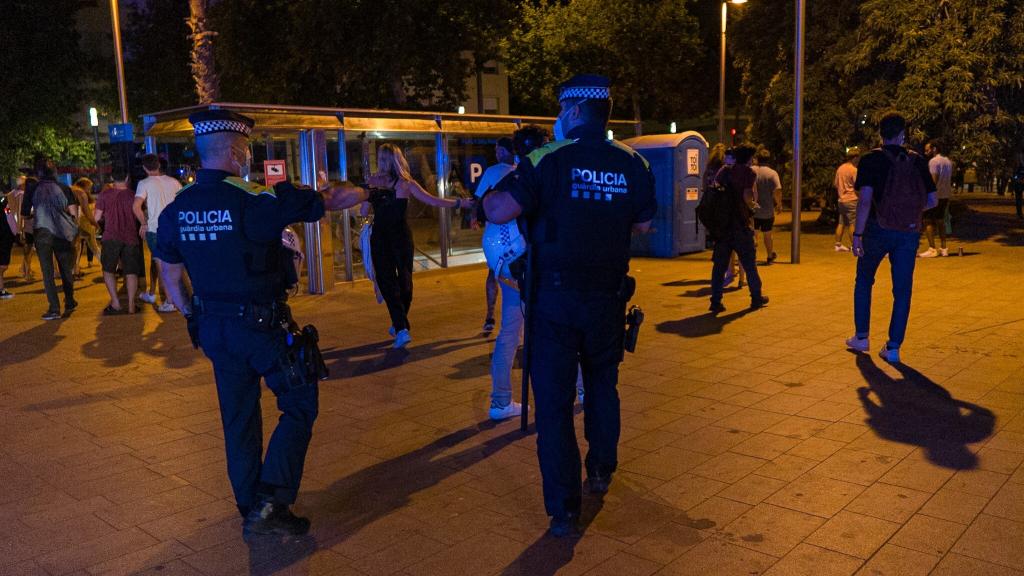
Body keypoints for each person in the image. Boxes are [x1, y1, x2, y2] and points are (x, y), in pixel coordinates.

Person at [153, 110, 366, 538]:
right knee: (300, 402)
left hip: (213, 329)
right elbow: (327, 201)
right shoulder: (253, 200)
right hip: (261, 328)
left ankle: (249, 506)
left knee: (238, 419)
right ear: (234, 152)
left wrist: (193, 316)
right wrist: (364, 190)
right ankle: (272, 500)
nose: (247, 158)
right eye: (246, 150)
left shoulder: (179, 209)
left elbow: (170, 275)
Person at [482, 74, 657, 536]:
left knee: (555, 404)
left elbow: (500, 210)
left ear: (575, 111)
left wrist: (491, 194)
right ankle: (600, 469)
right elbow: (643, 225)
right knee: (602, 385)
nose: (558, 118)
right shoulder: (633, 162)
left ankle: (564, 508)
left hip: (554, 302)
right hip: (607, 297)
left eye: (561, 110)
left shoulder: (545, 159)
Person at [361, 143, 473, 349]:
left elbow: (432, 201)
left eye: (382, 157)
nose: (381, 161)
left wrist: (459, 203)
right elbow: (433, 201)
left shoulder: (403, 183)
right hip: (392, 236)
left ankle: (400, 323)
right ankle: (401, 327)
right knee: (396, 281)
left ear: (388, 159)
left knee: (399, 281)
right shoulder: (382, 182)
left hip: (390, 236)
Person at [847, 112, 937, 364]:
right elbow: (932, 200)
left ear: (880, 134)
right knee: (903, 290)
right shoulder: (917, 161)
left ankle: (862, 337)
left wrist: (857, 234)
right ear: (903, 134)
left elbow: (864, 200)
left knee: (864, 279)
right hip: (908, 234)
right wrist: (907, 211)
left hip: (876, 229)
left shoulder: (870, 160)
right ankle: (894, 347)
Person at [709, 143, 769, 314]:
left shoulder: (725, 171)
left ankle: (715, 301)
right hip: (740, 225)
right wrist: (752, 206)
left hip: (723, 225)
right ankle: (756, 298)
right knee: (749, 264)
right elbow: (747, 196)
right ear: (749, 158)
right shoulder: (748, 173)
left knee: (719, 266)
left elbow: (715, 189)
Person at [21, 159, 79, 320]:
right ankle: (69, 300)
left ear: (38, 173)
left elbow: (25, 214)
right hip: (62, 232)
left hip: (42, 232)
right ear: (55, 172)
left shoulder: (32, 189)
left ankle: (54, 308)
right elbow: (74, 214)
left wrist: (37, 213)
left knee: (47, 272)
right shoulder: (64, 188)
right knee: (65, 268)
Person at [473, 137, 516, 333]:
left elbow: (479, 199)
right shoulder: (520, 171)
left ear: (508, 151)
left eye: (500, 150)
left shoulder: (491, 172)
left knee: (493, 271)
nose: (497, 153)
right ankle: (514, 313)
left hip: (496, 232)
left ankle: (490, 315)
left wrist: (474, 216)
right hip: (517, 233)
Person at [134, 153, 182, 311]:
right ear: (158, 165)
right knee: (174, 263)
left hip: (155, 229)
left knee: (161, 265)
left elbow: (136, 206)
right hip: (174, 229)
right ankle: (159, 293)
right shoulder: (174, 182)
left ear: (144, 168)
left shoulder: (144, 183)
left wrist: (143, 223)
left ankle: (170, 300)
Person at [95, 168, 144, 314]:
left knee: (108, 270)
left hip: (111, 236)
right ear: (127, 177)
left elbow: (96, 217)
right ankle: (131, 305)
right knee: (131, 271)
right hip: (130, 237)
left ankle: (115, 303)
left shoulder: (105, 195)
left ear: (112, 177)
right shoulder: (133, 195)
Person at [919, 141, 954, 257]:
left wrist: (926, 194)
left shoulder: (934, 162)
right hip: (945, 195)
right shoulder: (948, 161)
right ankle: (944, 248)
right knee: (940, 220)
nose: (925, 152)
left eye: (927, 149)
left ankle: (932, 248)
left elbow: (933, 180)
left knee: (927, 220)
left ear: (934, 149)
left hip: (935, 196)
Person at [751, 148, 782, 264]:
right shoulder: (772, 173)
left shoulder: (751, 170)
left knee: (753, 233)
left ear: (758, 159)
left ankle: (752, 256)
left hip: (752, 209)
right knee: (768, 234)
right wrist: (779, 204)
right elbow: (777, 190)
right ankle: (769, 256)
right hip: (767, 210)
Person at [71, 177, 99, 277]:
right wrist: (95, 224)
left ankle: (74, 270)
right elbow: (86, 212)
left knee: (75, 246)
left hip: (63, 221)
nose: (89, 190)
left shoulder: (70, 189)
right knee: (76, 246)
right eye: (89, 187)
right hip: (73, 222)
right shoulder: (81, 193)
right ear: (84, 186)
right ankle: (73, 271)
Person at [9, 175, 36, 280]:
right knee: (28, 249)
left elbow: (10, 211)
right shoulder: (22, 195)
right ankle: (26, 271)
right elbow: (22, 214)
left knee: (28, 249)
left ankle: (24, 268)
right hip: (26, 226)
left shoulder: (12, 194)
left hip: (20, 226)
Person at [834, 147, 860, 251]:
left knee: (841, 222)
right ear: (854, 158)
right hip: (852, 199)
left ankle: (838, 244)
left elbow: (835, 184)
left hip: (841, 200)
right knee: (852, 223)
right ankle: (855, 245)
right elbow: (857, 185)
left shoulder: (840, 169)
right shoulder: (854, 170)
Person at [0, 190, 16, 299]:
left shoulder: (4, 201)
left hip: (4, 235)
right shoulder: (4, 202)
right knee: (2, 265)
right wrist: (15, 231)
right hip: (4, 236)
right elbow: (9, 215)